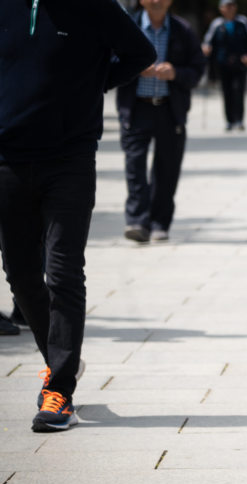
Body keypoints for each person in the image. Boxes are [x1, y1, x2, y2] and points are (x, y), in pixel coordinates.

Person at [0, 0, 156, 432]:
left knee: (64, 270)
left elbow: (141, 54)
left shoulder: (92, 6)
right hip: (7, 159)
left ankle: (60, 389)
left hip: (69, 158)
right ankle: (60, 359)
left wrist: (91, 86)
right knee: (19, 273)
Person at [118, 0, 206, 244]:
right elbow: (109, 62)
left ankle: (159, 223)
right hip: (136, 108)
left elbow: (198, 68)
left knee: (167, 168)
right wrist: (133, 68)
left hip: (170, 108)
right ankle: (137, 220)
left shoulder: (183, 30)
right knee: (134, 166)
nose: (156, 1)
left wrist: (175, 73)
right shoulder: (127, 25)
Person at [202, 0, 247, 131]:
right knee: (226, 92)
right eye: (227, 6)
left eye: (232, 5)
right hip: (223, 63)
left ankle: (239, 120)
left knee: (239, 90)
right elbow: (207, 41)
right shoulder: (217, 24)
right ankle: (229, 120)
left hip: (240, 62)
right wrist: (206, 48)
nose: (230, 8)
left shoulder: (243, 22)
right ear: (221, 8)